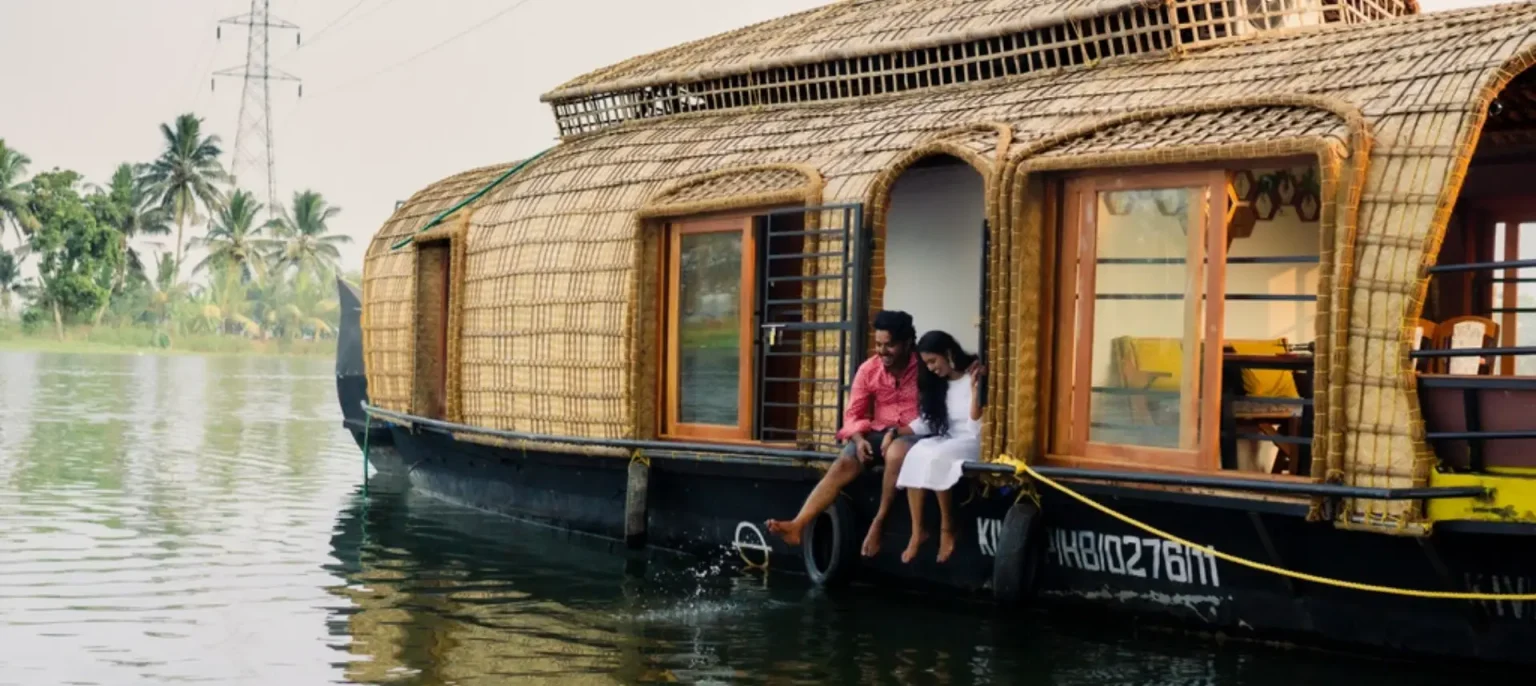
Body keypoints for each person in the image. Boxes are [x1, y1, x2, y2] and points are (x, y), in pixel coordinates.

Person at [766, 310, 920, 556]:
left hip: (914, 434)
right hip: (877, 433)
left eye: (889, 345)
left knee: (896, 452)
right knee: (843, 463)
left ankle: (879, 523)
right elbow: (852, 415)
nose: (882, 352)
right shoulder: (869, 369)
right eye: (878, 344)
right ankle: (798, 525)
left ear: (907, 343)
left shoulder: (924, 368)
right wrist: (859, 441)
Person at [883, 330, 984, 564]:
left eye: (932, 361)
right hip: (949, 438)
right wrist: (896, 431)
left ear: (948, 353)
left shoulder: (973, 377)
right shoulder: (939, 385)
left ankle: (947, 528)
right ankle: (918, 531)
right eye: (926, 363)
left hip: (971, 440)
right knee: (916, 453)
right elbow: (928, 423)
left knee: (937, 456)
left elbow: (975, 427)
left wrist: (976, 394)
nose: (930, 368)